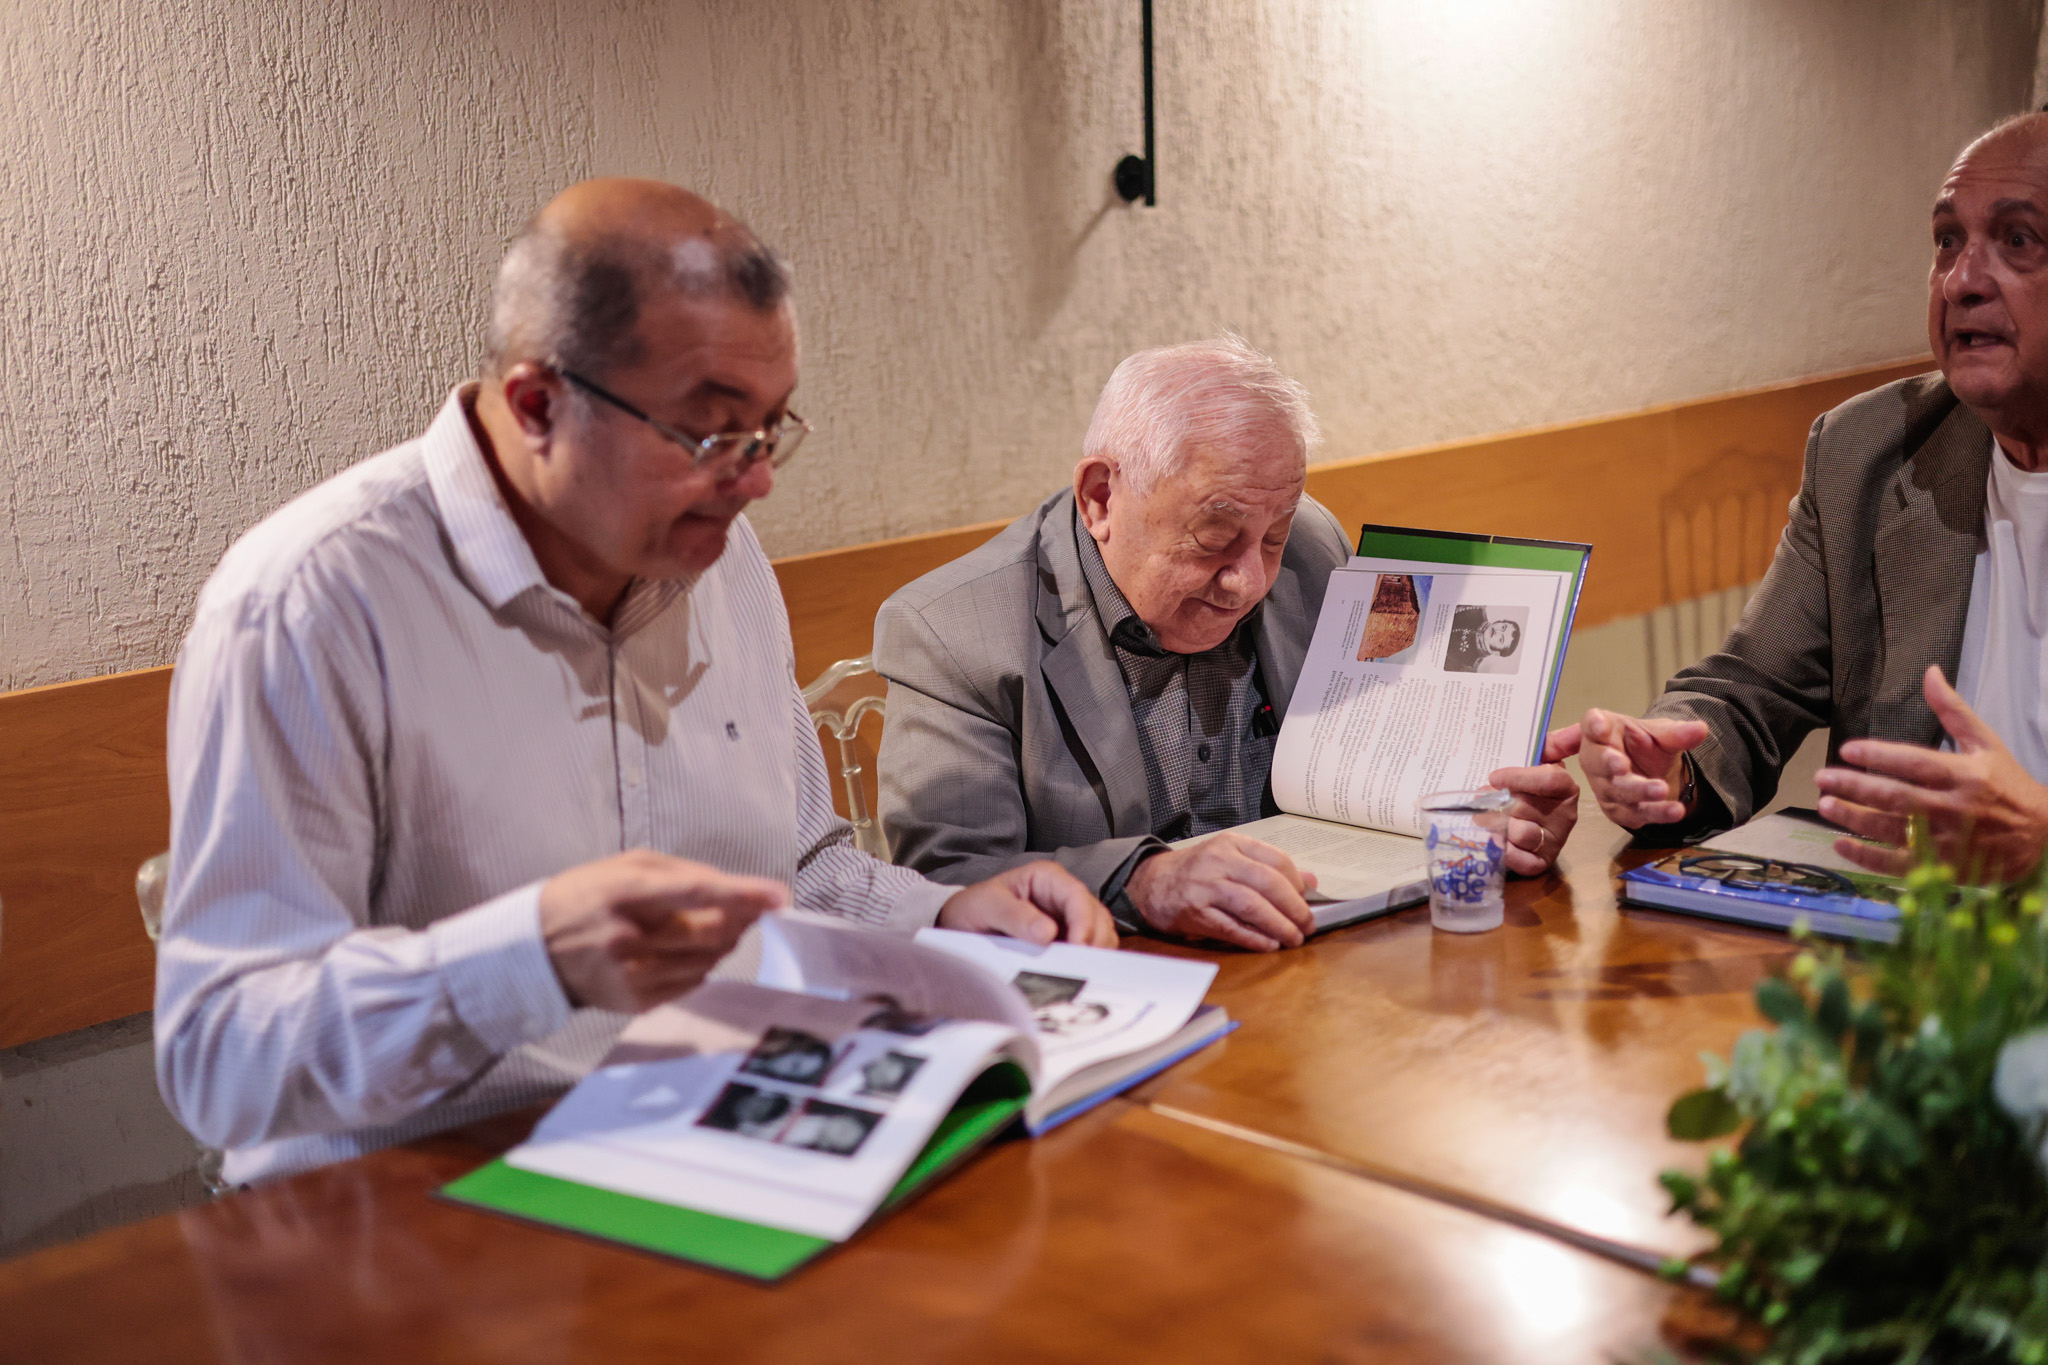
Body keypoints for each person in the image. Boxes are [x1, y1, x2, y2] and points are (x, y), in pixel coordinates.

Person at [155, 179, 1113, 1185]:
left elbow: (795, 874)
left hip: (704, 1139)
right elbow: (219, 1056)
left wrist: (943, 915)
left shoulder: (720, 561)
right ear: (536, 404)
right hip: (409, 1204)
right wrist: (526, 959)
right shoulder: (313, 605)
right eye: (710, 434)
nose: (755, 482)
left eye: (769, 430)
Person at [875, 338, 1580, 953]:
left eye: (1272, 533)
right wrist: (1140, 880)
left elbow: (1372, 764)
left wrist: (1488, 821)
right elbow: (947, 880)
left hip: (1320, 962)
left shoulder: (1310, 549)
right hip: (1120, 994)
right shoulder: (955, 630)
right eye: (1214, 537)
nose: (1249, 580)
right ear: (1099, 498)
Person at [1556, 112, 2048, 880]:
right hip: (1893, 949)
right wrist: (1669, 758)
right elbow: (1749, 688)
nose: (1962, 281)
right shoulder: (1867, 455)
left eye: (2018, 240)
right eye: (1948, 240)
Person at [1442, 607, 1524, 675]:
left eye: (1500, 639)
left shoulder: (1468, 669)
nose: (1497, 632)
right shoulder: (1475, 608)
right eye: (1503, 627)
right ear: (1500, 622)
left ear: (1496, 653)